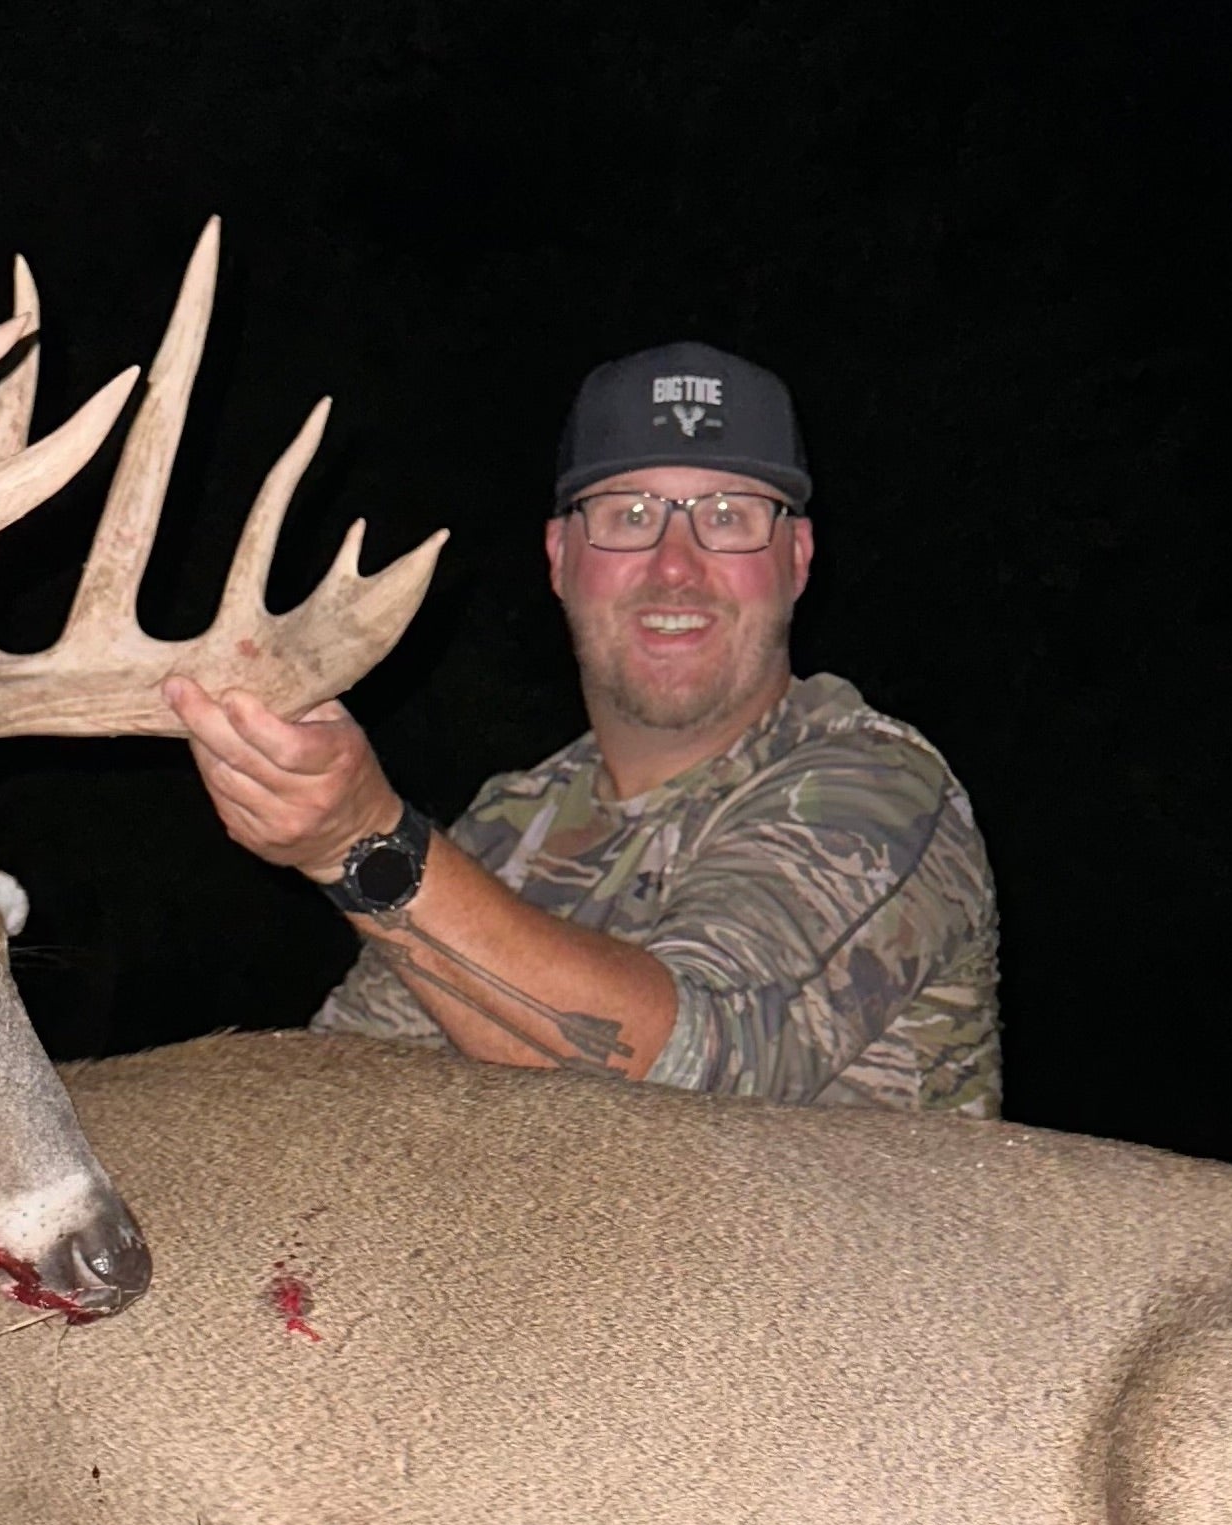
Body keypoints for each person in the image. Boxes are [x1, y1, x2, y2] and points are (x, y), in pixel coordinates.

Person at [162, 341, 1001, 1116]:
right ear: (561, 558)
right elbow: (343, 1092)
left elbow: (693, 1080)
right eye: (630, 516)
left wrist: (362, 842)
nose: (675, 565)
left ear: (797, 559)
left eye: (729, 516)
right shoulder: (507, 827)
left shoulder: (879, 789)